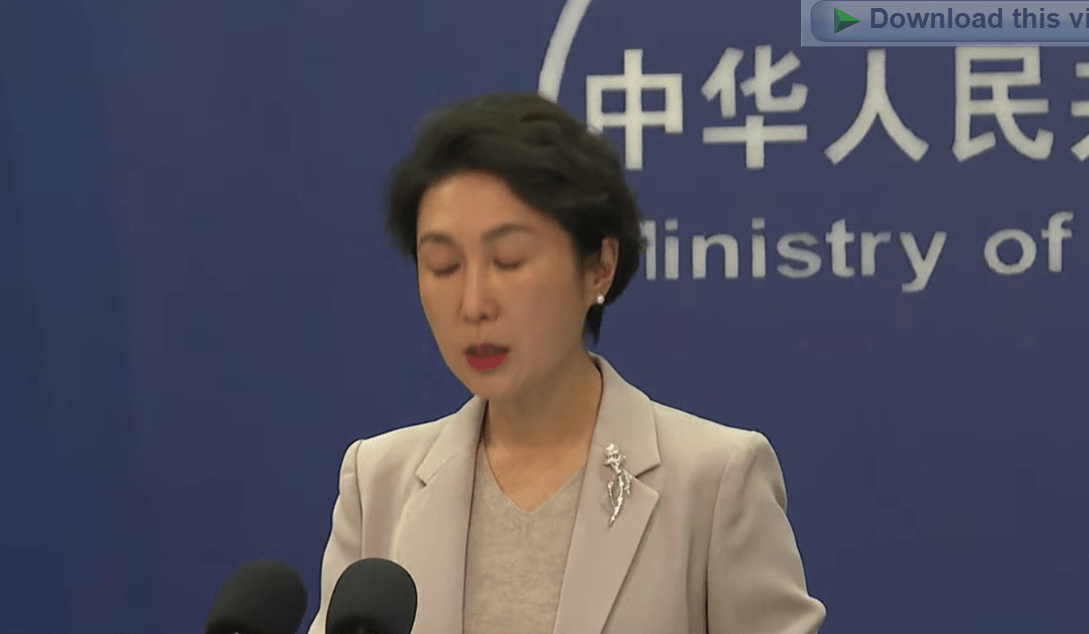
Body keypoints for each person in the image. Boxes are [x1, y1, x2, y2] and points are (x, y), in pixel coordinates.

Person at [307, 92, 825, 634]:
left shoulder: (714, 480)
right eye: (443, 265)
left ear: (599, 266)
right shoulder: (378, 482)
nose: (473, 304)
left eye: (509, 261)